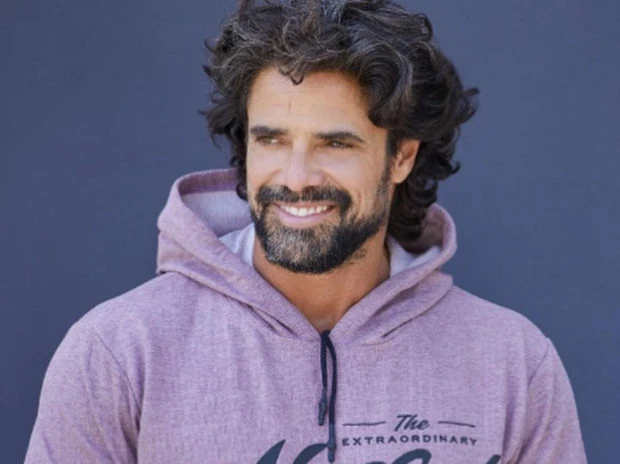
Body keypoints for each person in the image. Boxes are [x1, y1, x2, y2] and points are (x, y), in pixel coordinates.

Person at [26, 0, 587, 462]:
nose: (295, 178)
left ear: (401, 157)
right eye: (271, 140)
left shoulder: (512, 364)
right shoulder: (118, 353)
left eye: (335, 143)